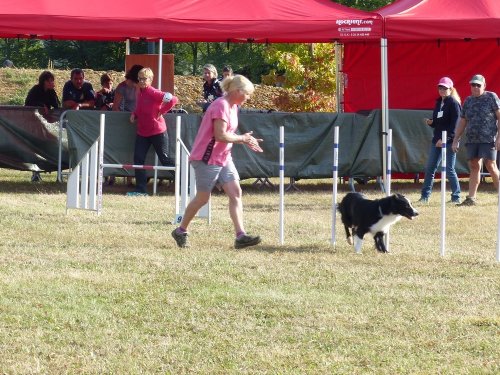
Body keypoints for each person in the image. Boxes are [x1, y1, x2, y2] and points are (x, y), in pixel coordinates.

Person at [171, 74, 264, 249]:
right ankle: (180, 230)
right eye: (247, 94)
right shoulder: (220, 106)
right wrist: (242, 139)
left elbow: (228, 135)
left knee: (236, 192)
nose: (248, 98)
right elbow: (220, 135)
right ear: (237, 91)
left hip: (223, 157)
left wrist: (247, 140)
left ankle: (240, 236)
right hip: (206, 158)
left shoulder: (233, 106)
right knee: (203, 198)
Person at [127, 67, 178, 196]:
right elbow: (139, 107)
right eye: (140, 79)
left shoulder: (153, 92)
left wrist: (162, 111)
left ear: (150, 80)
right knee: (138, 159)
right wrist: (134, 114)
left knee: (165, 159)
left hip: (157, 132)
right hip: (142, 132)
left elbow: (173, 99)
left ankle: (186, 182)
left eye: (144, 79)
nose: (142, 81)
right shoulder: (141, 93)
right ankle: (140, 189)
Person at [452, 74, 500, 206]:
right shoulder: (468, 101)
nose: (475, 87)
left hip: (489, 138)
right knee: (474, 166)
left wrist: (499, 138)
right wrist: (456, 139)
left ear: (484, 86)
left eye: (478, 85)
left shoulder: (491, 97)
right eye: (473, 85)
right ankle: (471, 198)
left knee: (491, 165)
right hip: (472, 139)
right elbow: (462, 121)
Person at [418, 77, 461, 204]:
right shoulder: (438, 103)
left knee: (449, 169)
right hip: (436, 140)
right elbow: (438, 122)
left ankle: (456, 197)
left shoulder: (454, 103)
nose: (442, 90)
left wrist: (445, 139)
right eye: (440, 87)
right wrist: (431, 122)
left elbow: (456, 126)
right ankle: (424, 196)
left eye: (445, 88)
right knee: (430, 168)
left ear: (451, 89)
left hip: (449, 141)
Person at [25, 70, 61, 183]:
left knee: (46, 147)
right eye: (50, 81)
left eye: (53, 81)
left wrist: (50, 102)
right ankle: (35, 173)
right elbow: (29, 103)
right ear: (44, 81)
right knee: (35, 147)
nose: (52, 83)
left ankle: (44, 169)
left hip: (46, 124)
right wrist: (41, 106)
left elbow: (56, 105)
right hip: (33, 123)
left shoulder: (51, 92)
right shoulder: (35, 90)